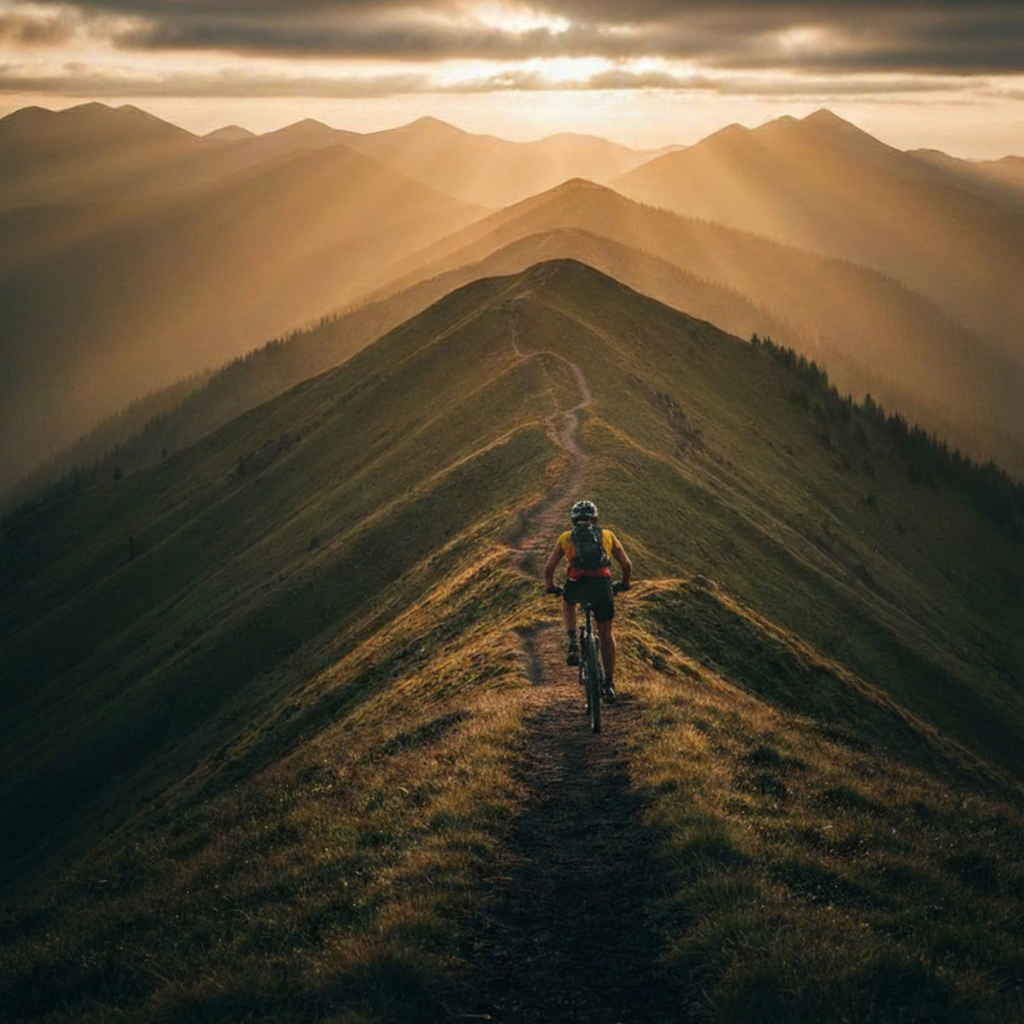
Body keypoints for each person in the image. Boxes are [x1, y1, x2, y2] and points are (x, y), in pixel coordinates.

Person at [544, 500, 632, 699]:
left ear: (573, 520)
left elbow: (549, 569)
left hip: (577, 584)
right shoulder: (608, 536)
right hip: (602, 587)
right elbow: (626, 565)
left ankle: (572, 641)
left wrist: (550, 587)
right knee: (606, 634)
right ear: (595, 518)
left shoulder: (566, 538)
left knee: (567, 601)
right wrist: (625, 584)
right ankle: (609, 684)